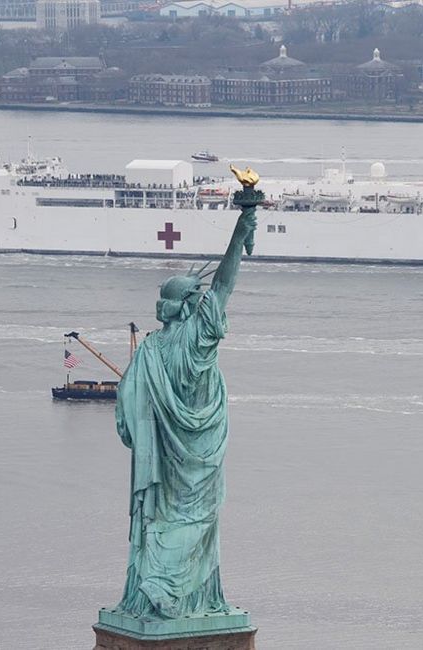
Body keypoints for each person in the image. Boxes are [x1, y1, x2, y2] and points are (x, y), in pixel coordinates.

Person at [113, 206, 257, 620]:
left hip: (163, 458)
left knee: (162, 516)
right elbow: (225, 285)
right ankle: (175, 592)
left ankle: (154, 590)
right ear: (188, 307)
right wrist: (241, 229)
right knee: (200, 519)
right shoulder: (198, 341)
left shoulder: (149, 351)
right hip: (202, 452)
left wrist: (144, 437)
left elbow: (125, 416)